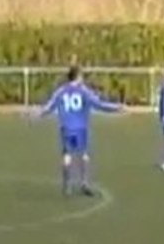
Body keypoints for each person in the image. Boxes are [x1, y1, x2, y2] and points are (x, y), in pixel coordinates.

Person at [34, 65, 124, 196]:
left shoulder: (61, 91)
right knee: (84, 155)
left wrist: (37, 114)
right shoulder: (83, 91)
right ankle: (84, 183)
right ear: (78, 76)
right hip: (81, 128)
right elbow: (99, 104)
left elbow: (49, 107)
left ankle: (67, 186)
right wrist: (117, 108)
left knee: (66, 156)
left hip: (66, 128)